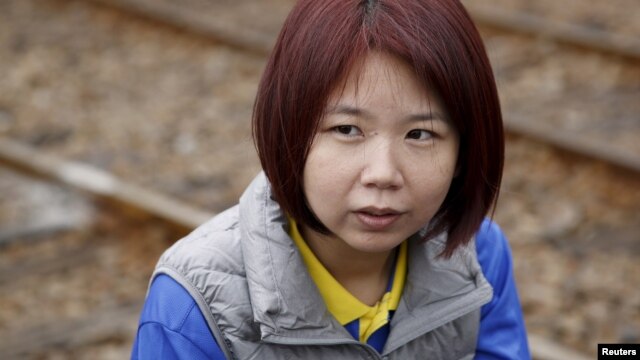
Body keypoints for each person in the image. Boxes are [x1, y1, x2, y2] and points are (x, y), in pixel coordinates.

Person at [131, 0, 530, 358]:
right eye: (346, 129)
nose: (383, 174)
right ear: (289, 132)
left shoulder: (479, 254)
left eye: (419, 134)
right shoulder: (192, 306)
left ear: (464, 151)